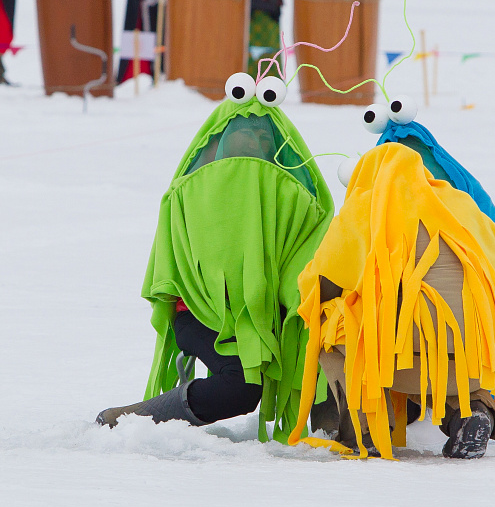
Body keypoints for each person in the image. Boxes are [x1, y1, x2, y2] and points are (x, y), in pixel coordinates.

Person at [96, 72, 336, 441]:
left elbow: (309, 256)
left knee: (325, 336)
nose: (257, 139)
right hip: (199, 313)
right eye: (246, 130)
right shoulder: (186, 194)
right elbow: (170, 265)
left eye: (264, 134)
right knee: (240, 390)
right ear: (221, 135)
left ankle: (335, 431)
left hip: (271, 316)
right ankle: (134, 418)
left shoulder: (292, 198)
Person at [288, 141, 495, 460]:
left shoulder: (365, 208)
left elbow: (321, 282)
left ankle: (364, 430)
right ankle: (473, 410)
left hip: (397, 363)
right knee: (454, 332)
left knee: (330, 323)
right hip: (471, 360)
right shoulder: (458, 204)